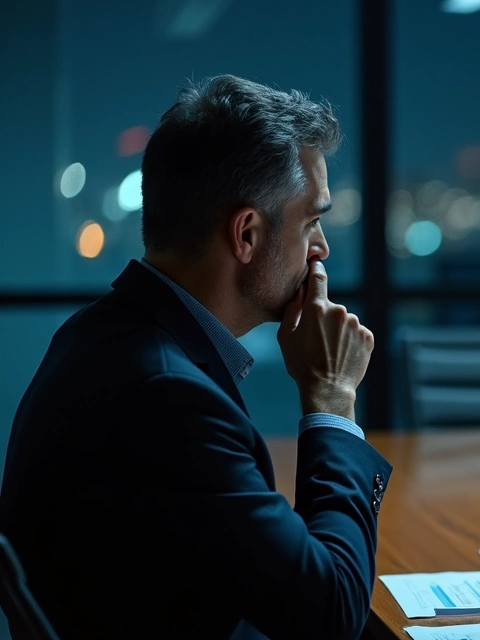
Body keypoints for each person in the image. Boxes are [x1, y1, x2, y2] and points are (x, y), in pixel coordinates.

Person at [0, 75, 389, 640]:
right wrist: (331, 399)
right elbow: (331, 616)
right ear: (247, 234)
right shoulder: (166, 397)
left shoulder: (99, 333)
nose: (322, 249)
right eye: (312, 221)